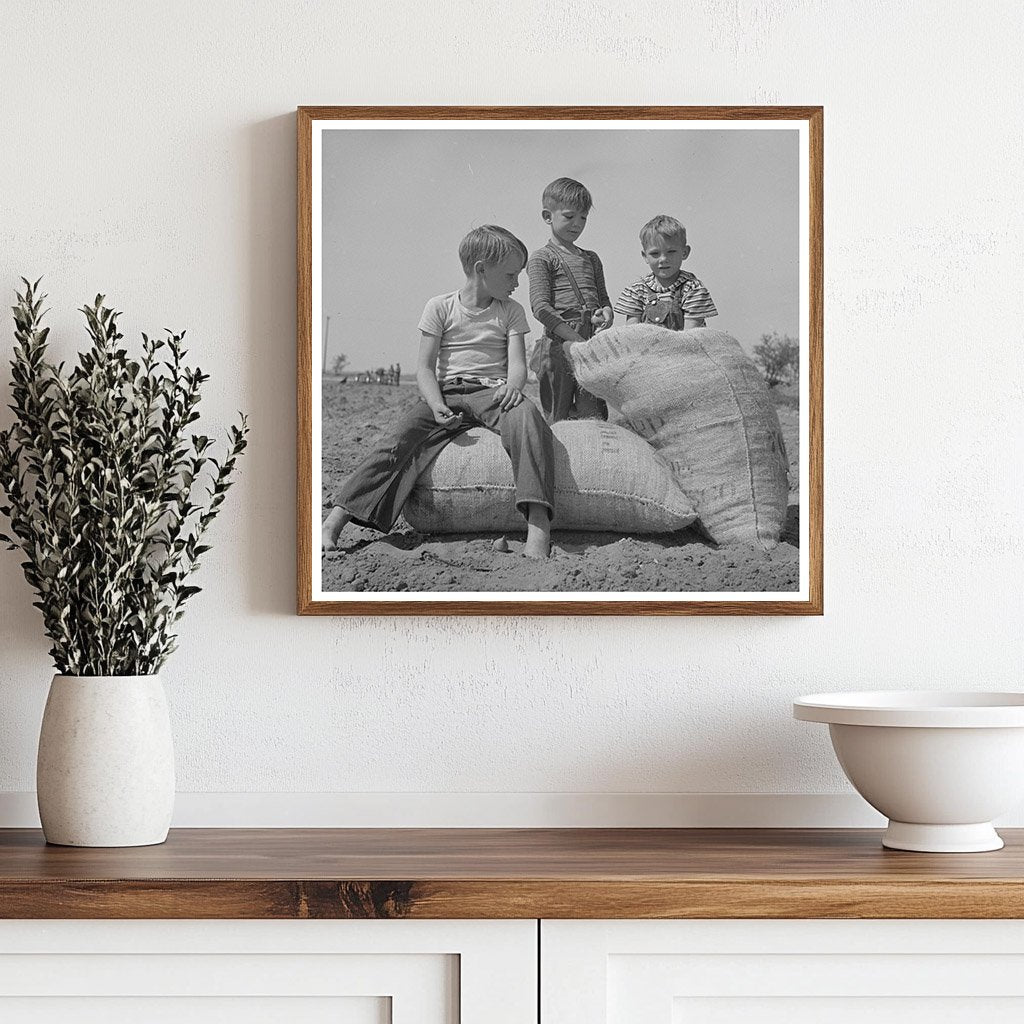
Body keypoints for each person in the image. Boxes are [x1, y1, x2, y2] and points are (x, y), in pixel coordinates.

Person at [322, 225, 555, 560]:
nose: (517, 283)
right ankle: (335, 520)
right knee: (399, 439)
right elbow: (426, 368)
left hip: (492, 392)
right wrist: (434, 404)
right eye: (511, 275)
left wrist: (513, 388)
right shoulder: (440, 307)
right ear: (481, 269)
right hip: (445, 392)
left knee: (528, 418)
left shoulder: (510, 311)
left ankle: (537, 524)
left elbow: (517, 365)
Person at [527, 177, 613, 424]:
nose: (577, 224)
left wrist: (605, 312)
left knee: (593, 416)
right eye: (569, 216)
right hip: (557, 346)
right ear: (547, 216)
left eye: (583, 218)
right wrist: (576, 340)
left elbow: (603, 298)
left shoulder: (592, 258)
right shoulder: (542, 258)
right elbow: (541, 308)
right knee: (557, 417)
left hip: (590, 341)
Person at [614, 214, 718, 330]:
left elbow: (691, 335)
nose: (663, 259)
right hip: (645, 347)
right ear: (645, 256)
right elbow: (631, 333)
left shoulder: (692, 289)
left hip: (684, 347)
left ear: (684, 252)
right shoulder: (637, 291)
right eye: (655, 254)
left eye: (671, 251)